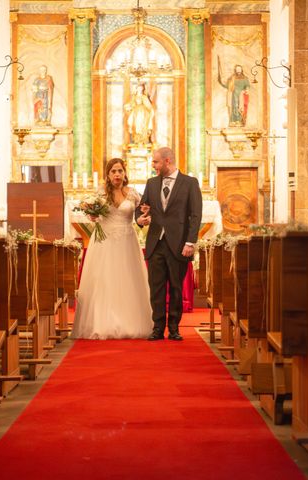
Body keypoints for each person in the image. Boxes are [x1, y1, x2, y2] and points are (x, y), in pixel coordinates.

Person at [72, 158, 153, 339]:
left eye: (120, 171)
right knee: (104, 279)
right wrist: (92, 216)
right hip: (104, 241)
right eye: (113, 171)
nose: (117, 174)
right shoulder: (100, 193)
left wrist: (142, 219)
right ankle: (103, 322)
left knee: (127, 279)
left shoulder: (133, 194)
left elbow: (142, 213)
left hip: (127, 240)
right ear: (108, 175)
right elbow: (91, 212)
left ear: (125, 173)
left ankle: (130, 322)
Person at [135, 147, 202, 341]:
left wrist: (190, 242)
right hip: (156, 242)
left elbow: (195, 215)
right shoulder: (152, 183)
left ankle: (174, 328)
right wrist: (140, 219)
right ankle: (157, 328)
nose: (153, 165)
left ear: (167, 161)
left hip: (179, 243)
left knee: (175, 288)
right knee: (156, 288)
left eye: (155, 162)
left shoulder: (189, 183)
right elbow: (141, 209)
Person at [218, 62, 250, 127]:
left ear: (241, 70)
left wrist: (247, 89)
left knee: (240, 107)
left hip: (241, 96)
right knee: (234, 107)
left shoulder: (245, 78)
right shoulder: (232, 78)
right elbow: (227, 85)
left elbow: (247, 85)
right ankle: (233, 121)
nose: (238, 70)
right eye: (237, 69)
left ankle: (240, 121)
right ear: (235, 70)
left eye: (239, 69)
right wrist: (221, 80)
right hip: (233, 95)